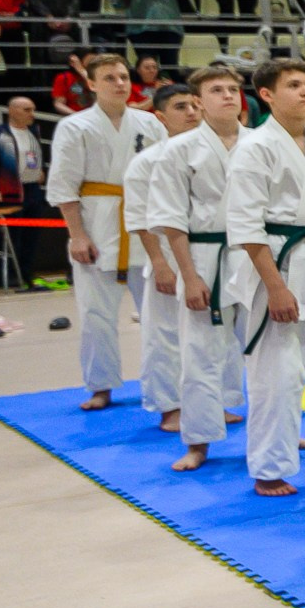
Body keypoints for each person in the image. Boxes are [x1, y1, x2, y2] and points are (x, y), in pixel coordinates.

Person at [224, 59, 305, 497]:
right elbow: (245, 227)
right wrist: (275, 287)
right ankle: (269, 467)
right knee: (278, 374)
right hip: (278, 266)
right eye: (295, 85)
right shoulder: (254, 147)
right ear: (266, 95)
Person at [48, 53, 167, 411]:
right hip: (98, 224)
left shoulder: (150, 123)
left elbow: (166, 177)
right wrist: (77, 235)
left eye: (123, 77)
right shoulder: (75, 126)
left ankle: (164, 389)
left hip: (146, 225)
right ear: (92, 84)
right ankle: (101, 385)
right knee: (96, 314)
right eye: (110, 78)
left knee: (159, 315)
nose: (119, 83)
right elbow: (64, 186)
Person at [144, 64, 248, 472]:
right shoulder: (178, 150)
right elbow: (170, 220)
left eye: (233, 89)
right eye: (217, 90)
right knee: (199, 352)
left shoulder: (261, 143)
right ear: (199, 103)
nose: (228, 96)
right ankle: (198, 441)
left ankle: (280, 428)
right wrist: (189, 276)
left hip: (255, 256)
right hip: (203, 256)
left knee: (271, 354)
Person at [124, 84, 200, 432]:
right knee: (165, 333)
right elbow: (140, 220)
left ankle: (217, 402)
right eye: (181, 106)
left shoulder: (217, 152)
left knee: (213, 334)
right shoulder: (145, 163)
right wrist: (159, 263)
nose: (191, 112)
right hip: (165, 252)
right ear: (160, 117)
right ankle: (170, 407)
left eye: (196, 105)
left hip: (210, 251)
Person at [0, 93, 51, 285]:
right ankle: (7, 276)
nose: (32, 114)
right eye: (27, 110)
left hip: (32, 189)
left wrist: (39, 171)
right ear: (12, 111)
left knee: (31, 236)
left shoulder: (34, 131)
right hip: (8, 190)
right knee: (10, 236)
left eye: (33, 110)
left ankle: (26, 273)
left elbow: (34, 155)